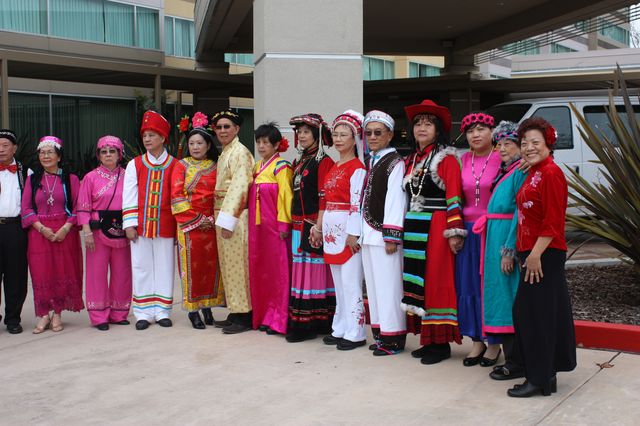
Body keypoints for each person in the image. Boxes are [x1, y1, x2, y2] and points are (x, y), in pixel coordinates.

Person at [508, 117, 576, 397]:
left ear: (548, 144)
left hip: (544, 254)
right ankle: (545, 374)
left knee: (534, 316)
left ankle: (539, 378)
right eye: (524, 143)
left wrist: (535, 255)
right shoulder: (534, 171)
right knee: (534, 314)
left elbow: (553, 221)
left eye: (535, 142)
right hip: (532, 252)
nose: (528, 147)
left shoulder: (551, 173)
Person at [401, 100, 466, 364]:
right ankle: (427, 340)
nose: (422, 128)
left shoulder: (445, 158)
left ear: (438, 130)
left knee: (436, 281)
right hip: (415, 226)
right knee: (419, 281)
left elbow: (454, 195)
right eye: (418, 123)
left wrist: (454, 230)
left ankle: (440, 344)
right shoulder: (412, 159)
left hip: (437, 226)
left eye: (428, 124)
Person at [471, 121, 527, 380]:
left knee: (508, 298)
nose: (502, 148)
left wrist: (509, 249)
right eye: (500, 144)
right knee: (500, 296)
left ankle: (516, 362)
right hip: (494, 236)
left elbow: (519, 211)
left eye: (508, 143)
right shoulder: (506, 170)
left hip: (504, 238)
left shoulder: (521, 171)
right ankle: (511, 359)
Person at [21, 136, 83, 333]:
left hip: (64, 232)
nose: (45, 156)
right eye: (42, 152)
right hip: (39, 233)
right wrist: (41, 228)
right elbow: (26, 208)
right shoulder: (32, 179)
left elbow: (79, 207)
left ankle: (57, 313)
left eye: (50, 152)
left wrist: (65, 228)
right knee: (41, 273)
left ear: (59, 156)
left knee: (61, 272)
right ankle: (44, 314)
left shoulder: (71, 179)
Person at [456, 112, 503, 367]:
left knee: (490, 286)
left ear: (492, 132)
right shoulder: (463, 159)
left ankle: (494, 341)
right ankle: (476, 339)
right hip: (466, 231)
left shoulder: (502, 157)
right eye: (470, 131)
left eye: (481, 129)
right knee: (469, 285)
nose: (475, 135)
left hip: (492, 230)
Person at [122, 110, 177, 330]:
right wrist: (129, 224)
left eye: (152, 135)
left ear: (163, 137)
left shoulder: (175, 164)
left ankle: (162, 311)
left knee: (165, 267)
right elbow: (129, 195)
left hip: (166, 225)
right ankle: (143, 313)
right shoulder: (134, 164)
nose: (147, 139)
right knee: (141, 266)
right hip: (141, 225)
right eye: (145, 135)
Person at [171, 114, 225, 330]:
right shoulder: (181, 166)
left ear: (208, 145)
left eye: (199, 143)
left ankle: (208, 306)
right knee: (192, 268)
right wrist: (197, 219)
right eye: (192, 143)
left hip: (212, 224)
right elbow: (176, 196)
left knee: (210, 267)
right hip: (190, 225)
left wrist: (213, 218)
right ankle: (193, 311)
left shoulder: (216, 166)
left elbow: (221, 194)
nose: (195, 147)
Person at [360, 110, 407, 356]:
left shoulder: (395, 162)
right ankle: (380, 333)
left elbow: (396, 200)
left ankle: (393, 338)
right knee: (375, 288)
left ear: (389, 135)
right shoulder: (372, 161)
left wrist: (391, 235)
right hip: (368, 233)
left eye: (378, 132)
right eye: (368, 133)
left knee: (389, 287)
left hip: (383, 235)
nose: (373, 137)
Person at [319, 110, 367, 350]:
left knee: (350, 282)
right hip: (332, 231)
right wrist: (319, 226)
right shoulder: (336, 165)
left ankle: (356, 332)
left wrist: (353, 232)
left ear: (355, 138)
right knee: (339, 284)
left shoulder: (357, 167)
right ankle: (340, 327)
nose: (338, 139)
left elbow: (357, 203)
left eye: (343, 135)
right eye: (335, 134)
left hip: (348, 230)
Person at [286, 113, 335, 343]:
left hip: (313, 226)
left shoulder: (323, 162)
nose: (302, 135)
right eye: (299, 132)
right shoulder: (300, 161)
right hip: (298, 226)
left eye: (306, 132)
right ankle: (303, 321)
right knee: (301, 274)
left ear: (317, 135)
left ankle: (312, 323)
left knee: (313, 274)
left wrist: (319, 226)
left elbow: (325, 197)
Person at [77, 136, 131, 331]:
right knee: (96, 274)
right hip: (97, 232)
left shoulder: (128, 176)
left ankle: (119, 313)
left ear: (119, 154)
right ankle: (99, 315)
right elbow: (83, 207)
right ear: (98, 155)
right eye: (103, 151)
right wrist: (87, 232)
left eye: (112, 151)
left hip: (122, 230)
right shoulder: (90, 178)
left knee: (122, 273)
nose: (108, 155)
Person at [211, 109, 254, 334]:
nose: (222, 131)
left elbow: (239, 188)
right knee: (228, 266)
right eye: (219, 127)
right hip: (223, 214)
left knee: (238, 266)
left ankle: (245, 314)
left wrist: (228, 221)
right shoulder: (226, 152)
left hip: (234, 217)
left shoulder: (240, 152)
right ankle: (235, 310)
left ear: (237, 129)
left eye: (227, 126)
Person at [248, 123, 293, 335]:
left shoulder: (281, 167)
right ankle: (264, 314)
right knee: (261, 270)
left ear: (276, 145)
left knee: (278, 273)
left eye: (265, 142)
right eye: (258, 142)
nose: (261, 146)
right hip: (257, 229)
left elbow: (286, 196)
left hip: (275, 229)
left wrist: (284, 224)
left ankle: (278, 318)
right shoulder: (256, 167)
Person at [0, 129, 30, 334]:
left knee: (16, 276)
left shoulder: (26, 172)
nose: (1, 150)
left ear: (14, 148)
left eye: (5, 145)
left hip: (16, 228)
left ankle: (13, 318)